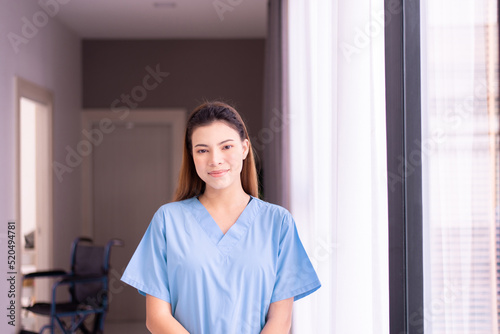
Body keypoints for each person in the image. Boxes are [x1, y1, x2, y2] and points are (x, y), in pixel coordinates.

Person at [121, 101, 321, 334]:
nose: (215, 160)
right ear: (192, 156)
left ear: (245, 148)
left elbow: (280, 321)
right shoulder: (167, 221)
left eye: (226, 147)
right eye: (202, 150)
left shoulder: (278, 223)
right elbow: (156, 318)